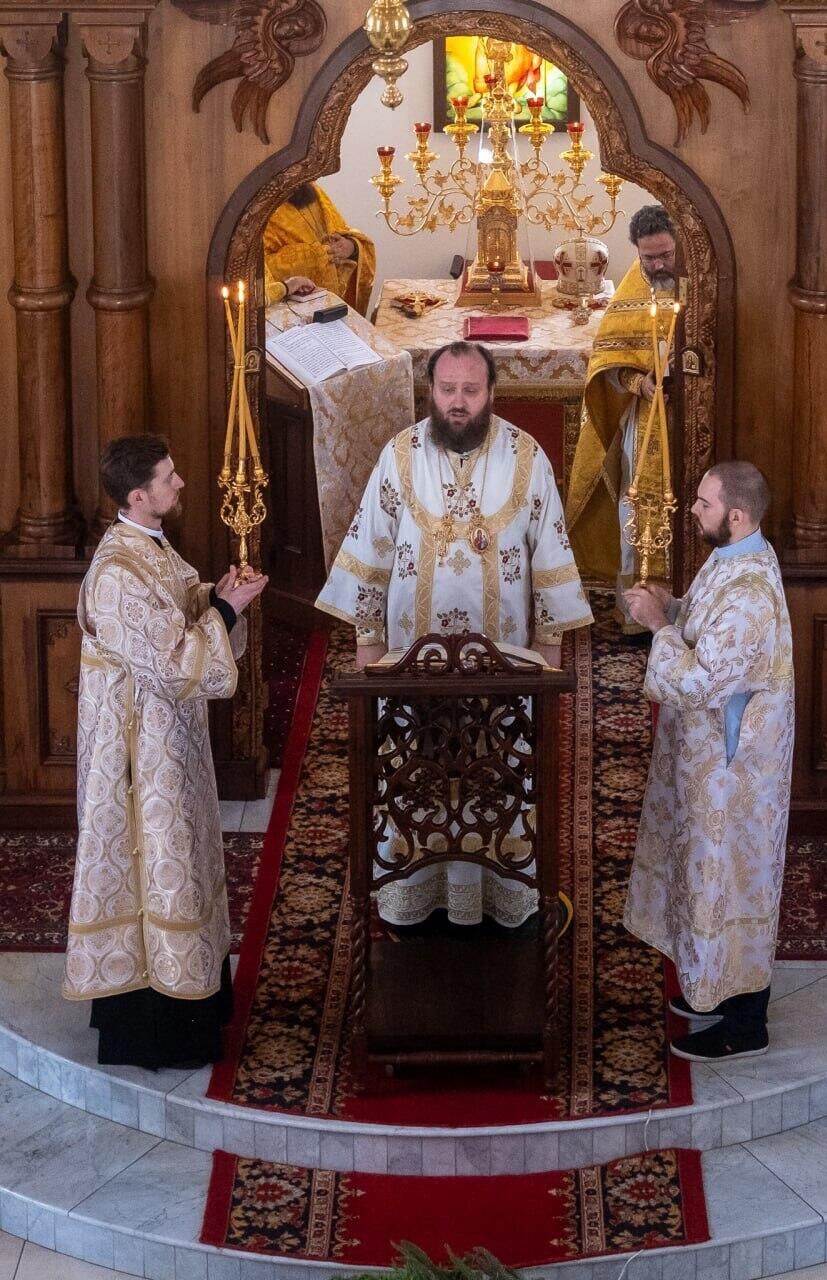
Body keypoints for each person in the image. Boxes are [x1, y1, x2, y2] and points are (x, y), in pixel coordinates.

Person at [316, 340, 593, 928]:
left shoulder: (526, 456)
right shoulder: (399, 456)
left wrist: (546, 670)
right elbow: (371, 559)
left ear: (492, 393)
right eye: (448, 391)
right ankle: (414, 896)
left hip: (507, 669)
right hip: (412, 669)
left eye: (471, 391)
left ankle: (502, 897)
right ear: (431, 392)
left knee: (496, 778)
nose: (458, 404)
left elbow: (550, 566)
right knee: (417, 777)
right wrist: (371, 661)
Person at [62, 435, 268, 1069]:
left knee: (182, 863)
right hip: (135, 762)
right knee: (156, 867)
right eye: (169, 478)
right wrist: (226, 614)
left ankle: (196, 1000)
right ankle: (156, 1029)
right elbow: (178, 665)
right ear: (138, 495)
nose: (181, 484)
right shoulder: (116, 574)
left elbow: (172, 610)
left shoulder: (144, 547)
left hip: (164, 742)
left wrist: (211, 597)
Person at [622, 461, 794, 1062]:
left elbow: (697, 681)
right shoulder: (733, 559)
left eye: (703, 503)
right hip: (713, 764)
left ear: (736, 515)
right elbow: (702, 629)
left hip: (735, 775)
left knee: (731, 887)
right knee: (706, 880)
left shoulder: (750, 592)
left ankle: (746, 1022)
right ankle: (714, 992)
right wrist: (673, 610)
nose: (691, 510)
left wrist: (653, 627)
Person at [567, 204, 678, 631]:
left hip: (696, 416)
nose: (658, 264)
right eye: (649, 257)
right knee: (638, 506)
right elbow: (609, 359)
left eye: (665, 254)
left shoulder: (701, 281)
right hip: (648, 417)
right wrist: (639, 384)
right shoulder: (635, 286)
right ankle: (637, 613)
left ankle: (686, 606)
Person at [263, 182, 376, 316]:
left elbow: (342, 230)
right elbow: (259, 271)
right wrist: (314, 256)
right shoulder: (261, 209)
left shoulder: (313, 191)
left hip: (336, 305)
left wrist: (351, 246)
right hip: (294, 315)